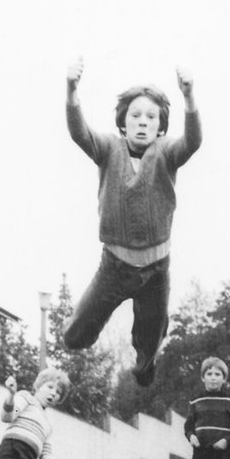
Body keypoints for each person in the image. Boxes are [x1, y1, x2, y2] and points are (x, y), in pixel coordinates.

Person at [63, 56, 202, 387]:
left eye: (151, 117)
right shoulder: (108, 149)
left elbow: (192, 142)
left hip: (156, 268)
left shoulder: (166, 152)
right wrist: (71, 92)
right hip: (115, 266)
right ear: (123, 123)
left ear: (160, 126)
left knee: (151, 336)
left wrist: (188, 97)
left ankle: (145, 364)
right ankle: (79, 337)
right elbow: (79, 133)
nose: (143, 122)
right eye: (135, 116)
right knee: (75, 335)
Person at [0, 368, 77, 459]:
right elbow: (8, 416)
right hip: (12, 455)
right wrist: (11, 395)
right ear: (38, 386)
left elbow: (45, 455)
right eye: (50, 387)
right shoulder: (26, 399)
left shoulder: (47, 426)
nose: (53, 393)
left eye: (58, 392)